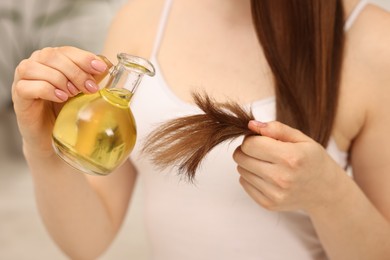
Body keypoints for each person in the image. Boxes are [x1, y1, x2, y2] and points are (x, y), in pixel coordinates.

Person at [11, 0, 390, 259]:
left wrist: (329, 194)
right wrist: (42, 146)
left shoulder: (372, 42)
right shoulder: (143, 19)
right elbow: (87, 240)